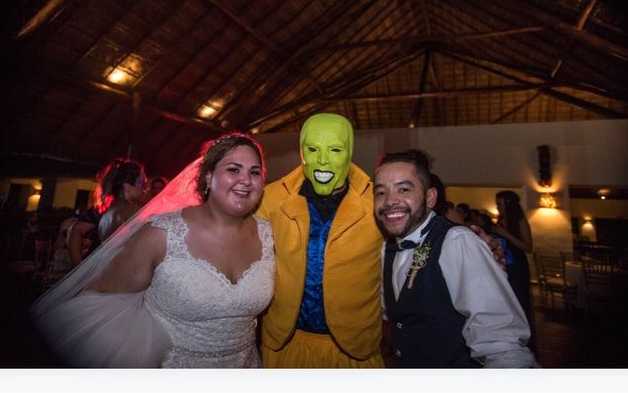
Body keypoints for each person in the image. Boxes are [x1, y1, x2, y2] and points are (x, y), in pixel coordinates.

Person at [257, 113, 503, 368]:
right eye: (312, 148)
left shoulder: (376, 201)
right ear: (301, 151)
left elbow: (420, 230)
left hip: (355, 352)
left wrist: (469, 244)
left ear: (349, 151)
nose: (322, 160)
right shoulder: (269, 198)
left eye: (335, 149)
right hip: (284, 346)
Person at [31, 133, 275, 368]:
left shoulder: (269, 234)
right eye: (234, 169)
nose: (245, 179)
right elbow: (100, 295)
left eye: (254, 172)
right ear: (208, 176)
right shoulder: (162, 233)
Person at [375, 149, 538, 368]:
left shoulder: (457, 242)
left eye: (403, 189)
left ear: (430, 197)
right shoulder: (387, 249)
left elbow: (501, 342)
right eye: (380, 193)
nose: (390, 201)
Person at [67, 158, 147, 266]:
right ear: (127, 187)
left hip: (99, 267)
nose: (146, 188)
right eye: (142, 183)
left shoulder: (107, 210)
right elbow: (76, 230)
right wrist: (78, 266)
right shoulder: (128, 211)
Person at [492, 190, 534, 342]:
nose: (497, 207)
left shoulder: (520, 221)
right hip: (503, 265)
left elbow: (528, 247)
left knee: (519, 301)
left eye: (500, 204)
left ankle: (523, 338)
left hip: (517, 266)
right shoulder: (501, 220)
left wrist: (506, 234)